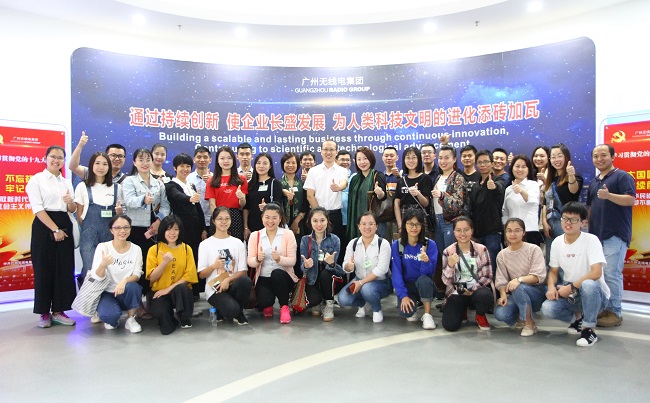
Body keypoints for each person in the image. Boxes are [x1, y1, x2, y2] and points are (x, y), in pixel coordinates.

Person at [541, 202, 609, 347]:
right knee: (547, 308)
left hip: (595, 294)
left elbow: (596, 272)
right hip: (572, 294)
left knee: (588, 284)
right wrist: (551, 287)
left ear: (583, 222)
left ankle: (589, 329)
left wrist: (571, 287)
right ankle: (578, 319)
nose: (568, 223)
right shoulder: (557, 242)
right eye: (565, 218)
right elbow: (553, 271)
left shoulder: (591, 240)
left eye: (573, 220)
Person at [26, 145, 77, 328]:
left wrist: (70, 202)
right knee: (44, 269)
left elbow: (72, 209)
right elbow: (38, 209)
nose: (56, 160)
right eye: (53, 157)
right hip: (44, 225)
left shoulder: (66, 182)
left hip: (64, 222)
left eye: (60, 158)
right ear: (45, 158)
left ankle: (59, 311)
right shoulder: (36, 180)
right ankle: (44, 313)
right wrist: (55, 230)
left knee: (64, 270)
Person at [587, 144, 635, 327]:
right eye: (595, 156)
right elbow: (590, 207)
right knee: (599, 275)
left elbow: (630, 200)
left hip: (615, 234)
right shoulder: (594, 181)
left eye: (603, 155)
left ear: (613, 156)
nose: (599, 159)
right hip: (596, 236)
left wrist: (609, 196)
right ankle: (604, 309)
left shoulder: (622, 176)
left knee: (612, 274)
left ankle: (615, 312)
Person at [122, 148, 170, 315]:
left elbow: (165, 205)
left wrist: (159, 221)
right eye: (141, 160)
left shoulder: (158, 183)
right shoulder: (129, 181)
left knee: (152, 264)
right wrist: (143, 199)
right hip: (135, 229)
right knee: (137, 265)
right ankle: (137, 304)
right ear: (134, 162)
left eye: (147, 159)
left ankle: (151, 298)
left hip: (154, 229)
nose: (145, 163)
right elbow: (128, 201)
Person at [74, 152, 123, 289]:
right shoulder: (82, 186)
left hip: (110, 235)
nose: (101, 167)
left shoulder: (117, 188)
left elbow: (120, 212)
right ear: (91, 165)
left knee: (109, 269)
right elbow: (79, 214)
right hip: (89, 234)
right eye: (97, 163)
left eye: (105, 164)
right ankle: (87, 299)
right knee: (90, 268)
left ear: (109, 167)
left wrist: (119, 212)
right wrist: (89, 230)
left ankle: (106, 299)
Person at [198, 207, 253, 325]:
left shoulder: (238, 243)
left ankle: (239, 312)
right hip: (215, 288)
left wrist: (227, 280)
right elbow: (201, 275)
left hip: (233, 284)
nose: (224, 222)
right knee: (230, 310)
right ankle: (225, 309)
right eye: (220, 219)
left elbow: (243, 271)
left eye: (227, 219)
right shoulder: (205, 245)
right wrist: (214, 266)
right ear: (213, 221)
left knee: (245, 281)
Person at [145, 215, 198, 334]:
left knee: (182, 288)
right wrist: (163, 263)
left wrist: (168, 289)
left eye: (175, 229)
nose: (172, 233)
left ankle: (184, 316)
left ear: (180, 231)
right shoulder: (154, 249)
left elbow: (189, 276)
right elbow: (152, 278)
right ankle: (170, 319)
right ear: (163, 231)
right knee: (166, 328)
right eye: (168, 229)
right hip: (159, 292)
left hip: (179, 292)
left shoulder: (186, 249)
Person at [91, 215, 143, 333]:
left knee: (134, 287)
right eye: (118, 228)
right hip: (107, 292)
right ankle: (111, 315)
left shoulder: (136, 249)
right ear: (111, 230)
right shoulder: (103, 247)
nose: (122, 231)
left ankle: (131, 318)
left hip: (125, 290)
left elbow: (137, 274)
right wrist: (103, 264)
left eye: (126, 227)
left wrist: (124, 281)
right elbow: (96, 276)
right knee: (110, 319)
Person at [494, 218, 547, 336]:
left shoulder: (533, 249)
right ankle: (521, 317)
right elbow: (501, 280)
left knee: (519, 287)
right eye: (509, 231)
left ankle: (529, 323)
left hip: (536, 292)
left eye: (517, 230)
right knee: (501, 314)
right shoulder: (502, 255)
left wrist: (519, 280)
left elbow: (538, 277)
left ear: (523, 233)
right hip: (516, 292)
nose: (513, 234)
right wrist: (503, 296)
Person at [441, 216, 494, 332]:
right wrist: (450, 265)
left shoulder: (481, 249)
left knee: (484, 295)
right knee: (449, 325)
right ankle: (462, 311)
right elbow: (446, 281)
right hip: (457, 292)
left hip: (477, 290)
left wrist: (472, 289)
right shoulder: (448, 251)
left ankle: (480, 314)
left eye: (466, 230)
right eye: (458, 230)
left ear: (472, 231)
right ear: (454, 232)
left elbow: (488, 276)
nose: (462, 234)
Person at [247, 203, 298, 324]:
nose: (270, 221)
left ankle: (284, 306)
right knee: (264, 302)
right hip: (263, 277)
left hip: (283, 277)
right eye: (267, 217)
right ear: (262, 218)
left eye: (274, 217)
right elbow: (250, 261)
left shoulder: (288, 234)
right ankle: (268, 304)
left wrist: (279, 259)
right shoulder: (255, 235)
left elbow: (292, 261)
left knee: (277, 273)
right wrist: (257, 260)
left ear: (280, 219)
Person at [338, 212, 391, 323]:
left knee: (367, 289)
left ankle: (376, 309)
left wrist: (361, 283)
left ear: (376, 226)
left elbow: (381, 269)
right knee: (343, 298)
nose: (367, 227)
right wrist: (349, 266)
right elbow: (345, 266)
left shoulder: (383, 244)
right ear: (359, 226)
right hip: (359, 279)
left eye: (371, 224)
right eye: (364, 224)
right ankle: (364, 303)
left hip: (380, 282)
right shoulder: (353, 243)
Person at [164, 153, 204, 302]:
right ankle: (183, 291)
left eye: (188, 166)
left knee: (194, 257)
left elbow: (198, 209)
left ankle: (195, 290)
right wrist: (189, 198)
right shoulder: (170, 185)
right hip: (181, 228)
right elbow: (176, 196)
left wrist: (203, 228)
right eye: (181, 166)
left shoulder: (191, 185)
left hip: (195, 229)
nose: (185, 169)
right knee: (183, 259)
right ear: (175, 168)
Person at [391, 210, 438, 329]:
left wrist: (426, 262)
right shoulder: (397, 245)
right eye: (410, 224)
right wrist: (403, 296)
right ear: (404, 225)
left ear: (422, 226)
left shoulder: (430, 244)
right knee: (406, 312)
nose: (414, 227)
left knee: (424, 280)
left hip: (425, 284)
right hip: (408, 285)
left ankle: (427, 314)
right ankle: (415, 302)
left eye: (418, 224)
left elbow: (429, 273)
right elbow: (396, 273)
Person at [303, 140, 349, 262]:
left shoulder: (342, 170)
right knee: (316, 248)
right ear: (321, 151)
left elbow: (344, 183)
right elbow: (310, 196)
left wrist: (338, 187)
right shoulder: (313, 171)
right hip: (316, 215)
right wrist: (319, 215)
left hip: (335, 215)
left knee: (336, 249)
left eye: (331, 150)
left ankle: (335, 272)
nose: (328, 152)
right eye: (326, 149)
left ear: (336, 152)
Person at [300, 207, 346, 321]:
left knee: (326, 273)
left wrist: (332, 264)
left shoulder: (335, 240)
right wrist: (305, 265)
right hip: (312, 279)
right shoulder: (305, 240)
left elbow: (339, 270)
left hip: (330, 279)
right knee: (313, 301)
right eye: (315, 221)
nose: (319, 224)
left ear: (327, 221)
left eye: (322, 220)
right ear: (310, 222)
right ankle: (319, 301)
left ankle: (329, 304)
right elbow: (302, 268)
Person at [541, 143, 583, 264]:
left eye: (559, 156)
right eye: (553, 157)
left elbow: (574, 191)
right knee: (551, 260)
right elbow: (545, 202)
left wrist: (571, 176)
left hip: (566, 223)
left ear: (566, 157)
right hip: (550, 224)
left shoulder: (575, 176)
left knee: (567, 259)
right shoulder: (551, 179)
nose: (556, 160)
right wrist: (544, 222)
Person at [468, 150, 505, 273]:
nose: (483, 165)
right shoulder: (475, 186)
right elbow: (471, 208)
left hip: (492, 233)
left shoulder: (498, 180)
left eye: (486, 162)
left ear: (492, 163)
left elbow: (499, 188)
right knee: (478, 268)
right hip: (476, 233)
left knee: (492, 267)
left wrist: (493, 186)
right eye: (479, 162)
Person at [205, 146, 248, 241]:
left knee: (235, 246)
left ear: (233, 160)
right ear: (217, 161)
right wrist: (218, 219)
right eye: (222, 158)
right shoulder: (211, 181)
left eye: (229, 158)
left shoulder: (241, 179)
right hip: (217, 216)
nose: (226, 161)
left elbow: (243, 204)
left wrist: (241, 197)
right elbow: (212, 204)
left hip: (235, 217)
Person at [431, 145, 466, 251]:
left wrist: (442, 195)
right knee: (443, 254)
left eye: (447, 158)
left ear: (454, 159)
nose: (443, 161)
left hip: (450, 222)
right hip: (437, 221)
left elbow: (458, 203)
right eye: (440, 158)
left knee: (451, 253)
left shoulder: (458, 178)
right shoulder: (438, 177)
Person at [346, 147, 386, 240]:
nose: (362, 162)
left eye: (365, 158)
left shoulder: (377, 175)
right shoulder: (354, 179)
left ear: (371, 159)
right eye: (359, 159)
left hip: (372, 220)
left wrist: (380, 193)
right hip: (356, 219)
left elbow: (383, 197)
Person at [502, 155, 543, 245]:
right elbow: (505, 212)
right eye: (517, 166)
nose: (520, 169)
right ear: (512, 168)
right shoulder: (508, 189)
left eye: (524, 167)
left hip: (529, 231)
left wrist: (521, 191)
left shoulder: (533, 185)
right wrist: (506, 232)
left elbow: (532, 200)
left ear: (528, 169)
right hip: (512, 234)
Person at [244, 153, 284, 239]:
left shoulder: (275, 183)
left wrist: (267, 207)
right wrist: (246, 227)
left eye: (265, 163)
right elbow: (246, 208)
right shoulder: (250, 185)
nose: (261, 166)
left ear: (270, 166)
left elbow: (279, 205)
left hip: (270, 225)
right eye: (258, 163)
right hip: (253, 226)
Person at [394, 147, 432, 235]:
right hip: (404, 215)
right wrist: (400, 225)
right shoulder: (401, 181)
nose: (411, 161)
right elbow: (396, 204)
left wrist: (418, 194)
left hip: (420, 216)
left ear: (419, 159)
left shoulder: (425, 178)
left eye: (414, 157)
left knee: (421, 241)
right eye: (408, 158)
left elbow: (426, 203)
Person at [186, 146, 213, 236]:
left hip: (212, 221)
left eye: (205, 157)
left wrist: (212, 182)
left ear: (210, 160)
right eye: (199, 157)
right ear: (194, 159)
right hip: (193, 221)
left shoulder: (216, 179)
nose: (202, 160)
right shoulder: (187, 178)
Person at [280, 152, 305, 237]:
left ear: (298, 164)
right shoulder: (278, 184)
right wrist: (282, 192)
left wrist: (296, 222)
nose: (290, 165)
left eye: (293, 163)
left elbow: (305, 204)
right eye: (287, 162)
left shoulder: (302, 183)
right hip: (281, 223)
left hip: (300, 222)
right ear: (283, 164)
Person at [379, 146, 401, 239]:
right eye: (386, 156)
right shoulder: (379, 177)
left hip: (399, 217)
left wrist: (399, 177)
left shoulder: (403, 176)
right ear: (382, 158)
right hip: (383, 217)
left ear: (397, 157)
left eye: (391, 156)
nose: (389, 158)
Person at [336, 150, 353, 231]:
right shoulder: (330, 176)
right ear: (336, 161)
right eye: (342, 160)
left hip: (350, 220)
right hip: (334, 218)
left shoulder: (355, 177)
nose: (345, 162)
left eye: (347, 160)